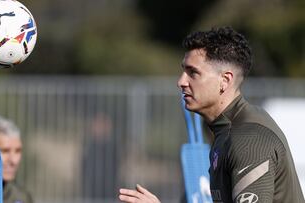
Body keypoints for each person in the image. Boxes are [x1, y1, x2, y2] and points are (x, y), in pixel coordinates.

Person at [119, 27, 304, 203]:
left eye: (193, 73)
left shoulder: (247, 140)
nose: (181, 82)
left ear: (225, 80)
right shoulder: (227, 128)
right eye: (184, 71)